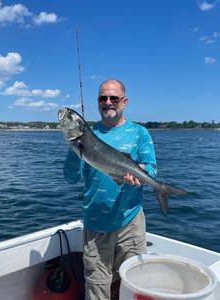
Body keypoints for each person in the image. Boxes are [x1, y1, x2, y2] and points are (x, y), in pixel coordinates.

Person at [63, 79, 157, 300]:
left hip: (130, 222)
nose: (108, 102)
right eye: (103, 98)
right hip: (96, 222)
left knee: (136, 284)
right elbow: (70, 178)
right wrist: (73, 147)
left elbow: (151, 170)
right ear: (98, 102)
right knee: (97, 286)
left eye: (113, 98)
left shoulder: (139, 133)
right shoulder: (87, 134)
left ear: (124, 101)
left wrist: (143, 175)